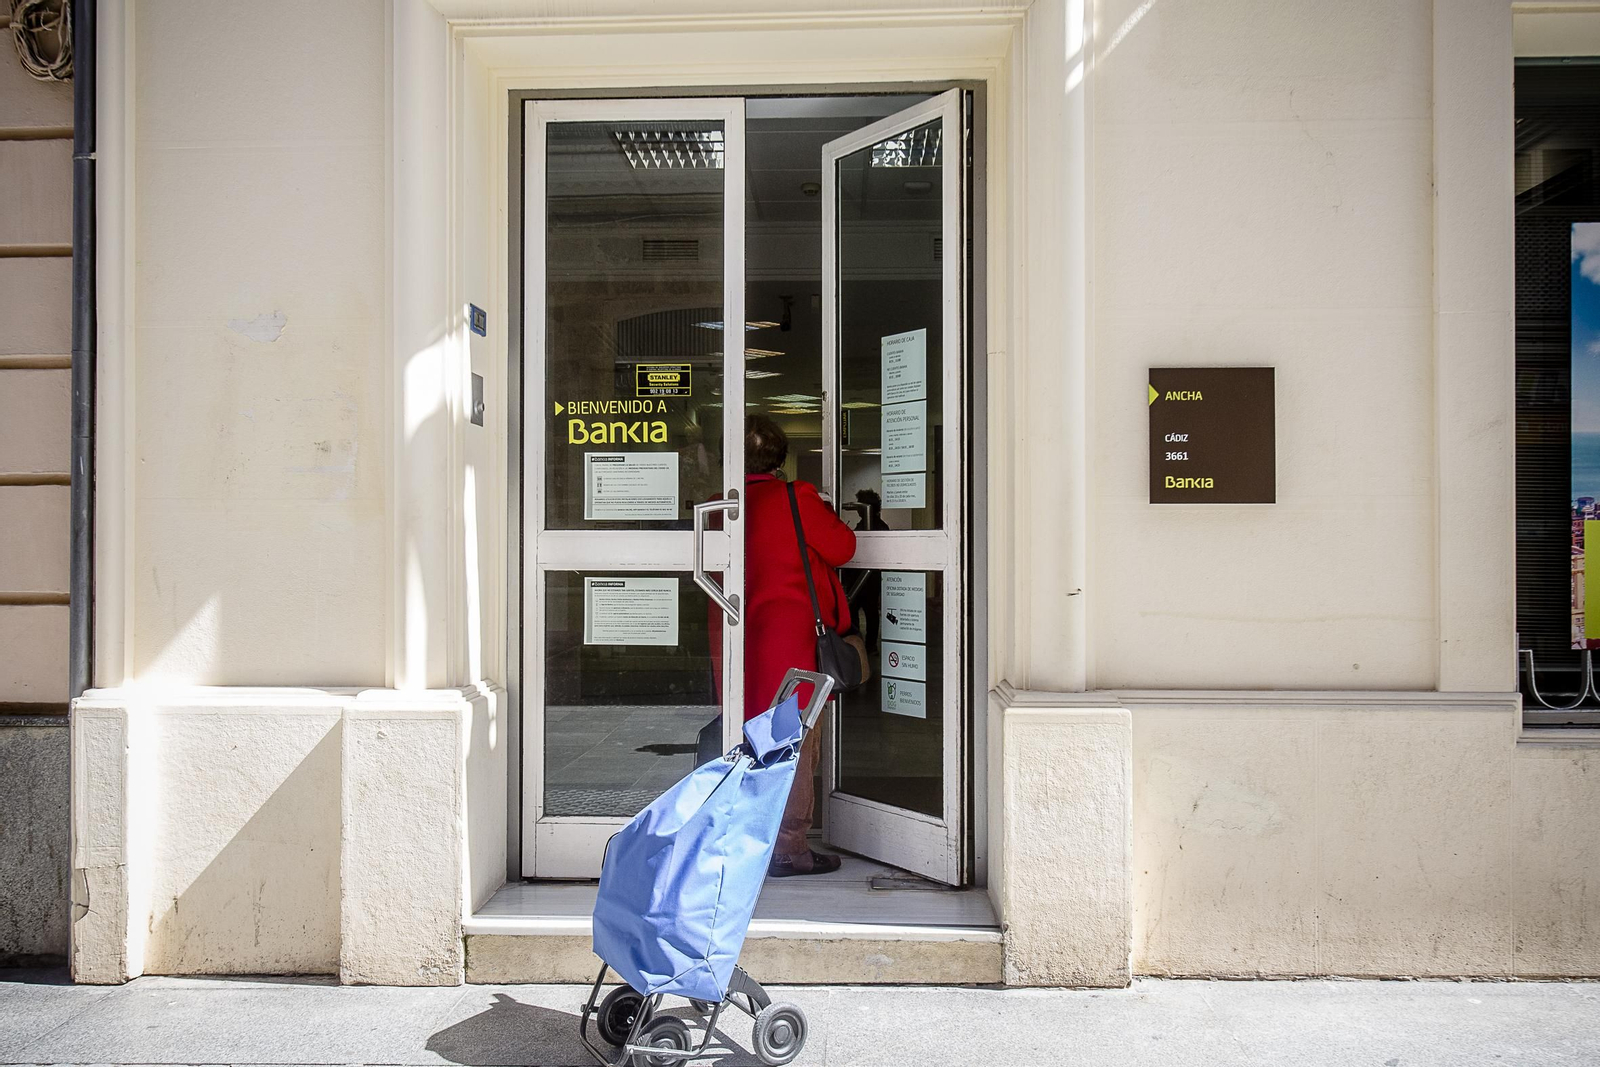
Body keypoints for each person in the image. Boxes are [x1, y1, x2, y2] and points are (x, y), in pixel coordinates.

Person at [742, 414, 856, 877]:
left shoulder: (721, 506)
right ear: (780, 458)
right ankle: (789, 846)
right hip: (791, 644)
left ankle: (748, 836)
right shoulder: (795, 498)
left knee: (748, 737)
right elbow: (844, 548)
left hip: (738, 641)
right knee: (796, 740)